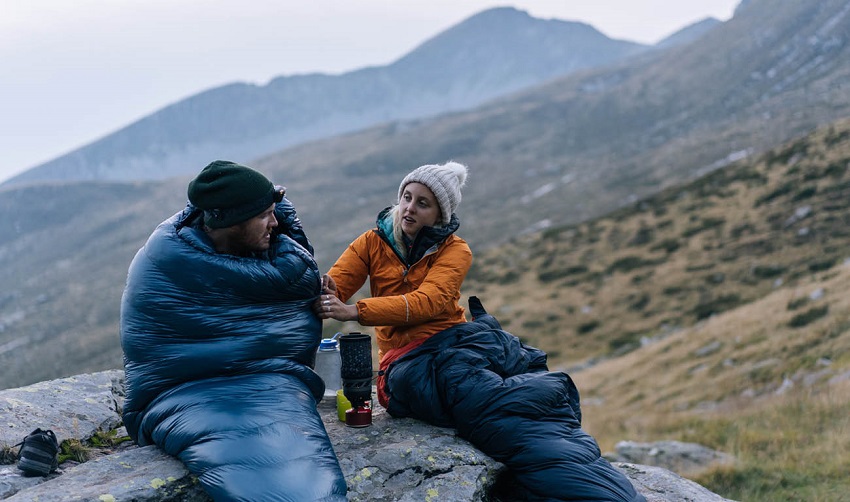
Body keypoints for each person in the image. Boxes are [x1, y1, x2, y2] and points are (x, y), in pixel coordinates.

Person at [315, 161, 645, 501]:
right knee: (491, 401)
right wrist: (327, 288)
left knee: (525, 391)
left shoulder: (456, 249)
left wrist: (356, 311)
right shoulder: (371, 242)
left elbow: (430, 301)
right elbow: (336, 284)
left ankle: (577, 480)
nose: (409, 208)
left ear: (439, 215)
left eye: (422, 203)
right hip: (410, 360)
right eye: (406, 197)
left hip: (458, 341)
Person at [120, 160, 347, 501]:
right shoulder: (169, 261)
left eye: (273, 211)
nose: (275, 222)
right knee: (289, 486)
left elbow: (283, 296)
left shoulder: (268, 251)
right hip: (184, 389)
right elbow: (160, 347)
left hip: (269, 375)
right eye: (263, 216)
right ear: (231, 222)